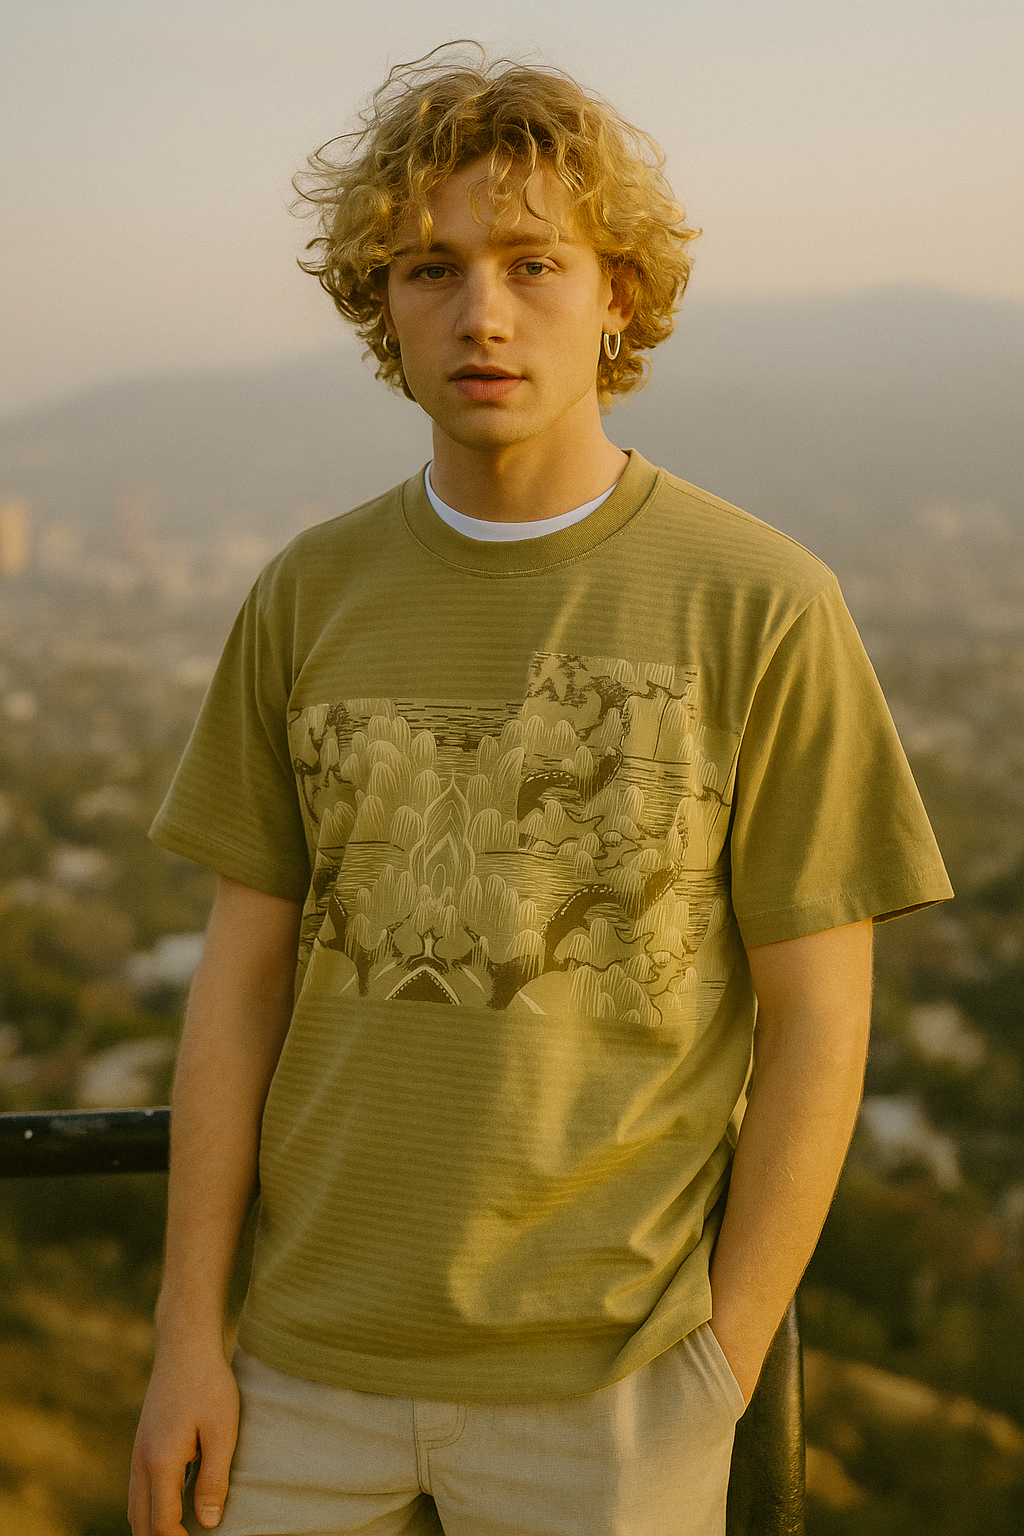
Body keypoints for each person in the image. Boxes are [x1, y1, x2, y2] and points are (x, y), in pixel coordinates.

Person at [128, 43, 952, 1536]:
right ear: (383, 305)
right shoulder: (305, 595)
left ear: (618, 292)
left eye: (533, 261)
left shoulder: (761, 600)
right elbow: (236, 989)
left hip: (617, 1397)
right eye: (429, 268)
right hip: (299, 1374)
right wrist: (191, 1331)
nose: (482, 312)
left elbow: (823, 1011)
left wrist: (724, 1359)